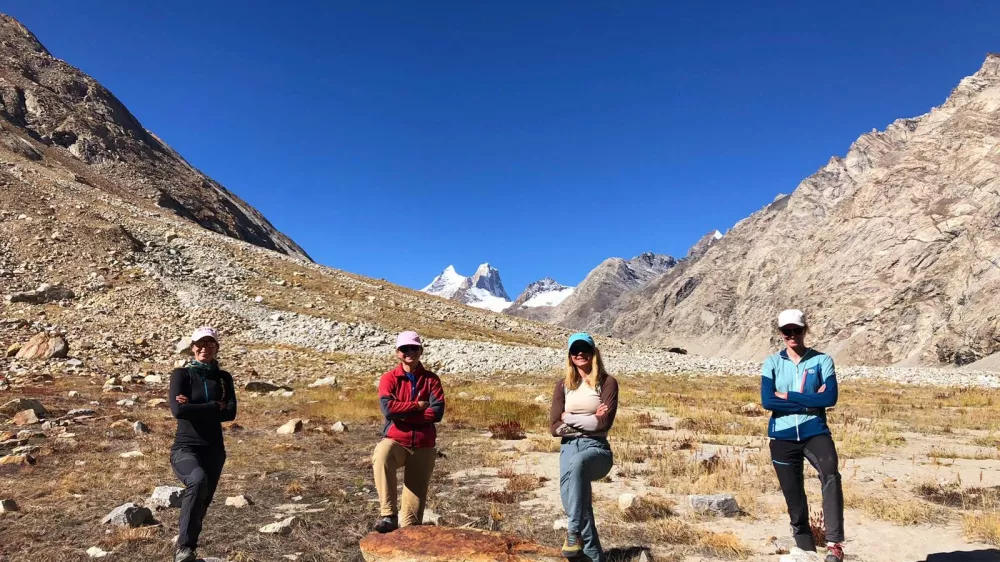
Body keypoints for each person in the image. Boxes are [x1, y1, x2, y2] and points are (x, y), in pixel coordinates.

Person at [760, 309, 845, 562]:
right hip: (782, 437)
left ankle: (834, 544)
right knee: (793, 495)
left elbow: (830, 398)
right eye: (787, 331)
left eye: (797, 330)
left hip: (814, 431)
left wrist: (788, 397)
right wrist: (811, 401)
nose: (792, 335)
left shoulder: (822, 361)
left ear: (805, 330)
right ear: (780, 334)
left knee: (830, 474)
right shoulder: (772, 363)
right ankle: (806, 550)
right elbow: (767, 401)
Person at [169, 327, 237, 562]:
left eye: (210, 344)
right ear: (192, 347)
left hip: (214, 451)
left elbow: (230, 413)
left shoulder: (223, 378)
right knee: (196, 482)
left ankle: (189, 544)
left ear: (217, 347)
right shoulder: (182, 375)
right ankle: (183, 547)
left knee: (203, 500)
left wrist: (194, 407)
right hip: (185, 447)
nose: (204, 348)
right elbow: (178, 411)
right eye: (199, 343)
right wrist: (212, 406)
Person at [550, 332, 619, 562]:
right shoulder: (562, 386)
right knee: (574, 503)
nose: (580, 353)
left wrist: (568, 418)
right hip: (568, 447)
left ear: (593, 353)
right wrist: (589, 421)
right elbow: (553, 427)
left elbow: (604, 423)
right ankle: (592, 557)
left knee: (579, 466)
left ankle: (572, 533)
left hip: (596, 448)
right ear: (570, 356)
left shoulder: (607, 383)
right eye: (575, 350)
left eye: (585, 349)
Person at [372, 330, 446, 533]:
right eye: (405, 349)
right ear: (397, 352)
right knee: (382, 453)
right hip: (397, 441)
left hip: (423, 445)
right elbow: (388, 410)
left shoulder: (431, 380)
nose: (409, 352)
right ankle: (388, 514)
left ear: (421, 350)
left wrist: (403, 413)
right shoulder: (389, 378)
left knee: (411, 523)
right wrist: (419, 405)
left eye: (414, 348)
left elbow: (437, 412)